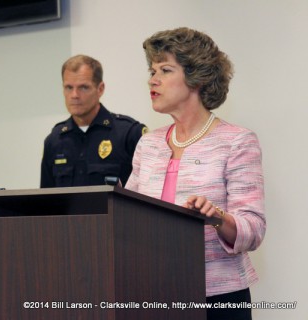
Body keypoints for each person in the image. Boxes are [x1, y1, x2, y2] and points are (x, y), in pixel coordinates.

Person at [125, 28, 265, 320]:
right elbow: (127, 217)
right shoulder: (148, 143)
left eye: (165, 70)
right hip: (153, 296)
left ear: (196, 78)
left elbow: (253, 228)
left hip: (218, 301)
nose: (152, 79)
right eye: (152, 70)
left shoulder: (237, 141)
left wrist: (218, 218)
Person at [41, 55, 147, 188]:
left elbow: (147, 194)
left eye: (83, 87)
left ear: (100, 89)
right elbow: (46, 201)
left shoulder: (128, 133)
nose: (74, 95)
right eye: (68, 87)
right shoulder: (55, 140)